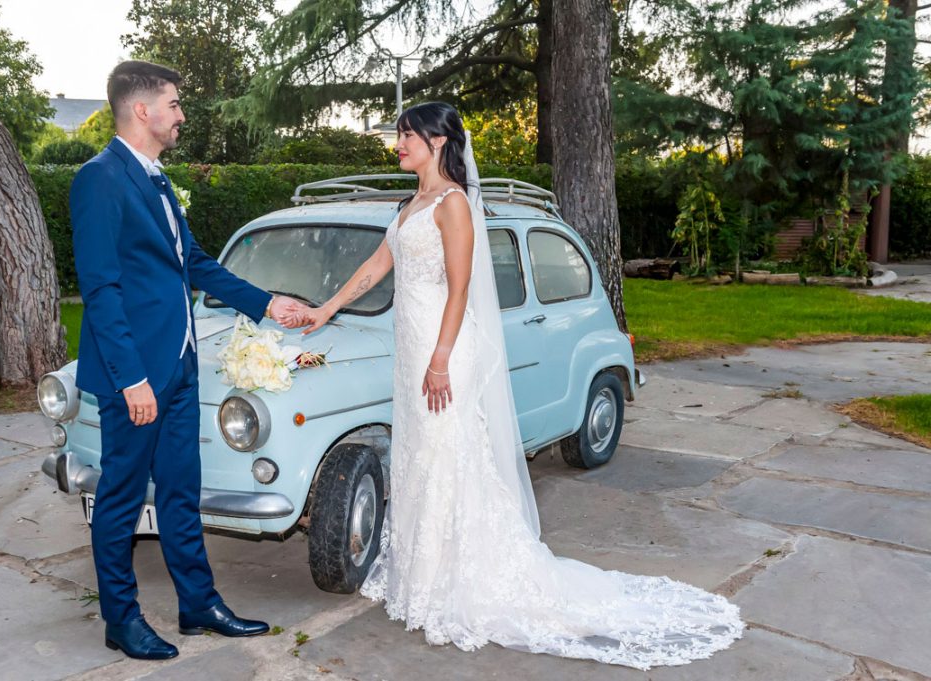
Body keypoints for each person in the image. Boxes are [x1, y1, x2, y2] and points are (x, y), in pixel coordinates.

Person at [298, 102, 744, 670]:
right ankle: (422, 579)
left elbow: (459, 289)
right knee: (419, 457)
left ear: (436, 143)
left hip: (441, 354)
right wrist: (326, 308)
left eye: (406, 136)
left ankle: (454, 587)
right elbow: (376, 266)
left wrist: (439, 359)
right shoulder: (411, 203)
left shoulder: (454, 204)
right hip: (411, 354)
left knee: (445, 455)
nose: (398, 145)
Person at [70, 60, 302, 660]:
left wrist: (267, 302)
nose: (181, 115)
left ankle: (198, 605)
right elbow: (101, 291)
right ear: (142, 110)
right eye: (173, 104)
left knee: (180, 490)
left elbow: (192, 263)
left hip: (180, 366)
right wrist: (132, 380)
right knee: (122, 496)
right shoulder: (99, 180)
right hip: (138, 377)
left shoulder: (158, 180)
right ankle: (121, 619)